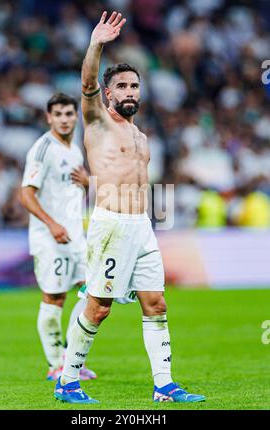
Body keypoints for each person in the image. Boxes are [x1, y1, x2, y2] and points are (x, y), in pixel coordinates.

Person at [54, 12, 205, 404]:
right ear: (108, 94)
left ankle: (164, 385)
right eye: (121, 86)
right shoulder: (99, 122)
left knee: (156, 303)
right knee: (99, 308)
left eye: (134, 85)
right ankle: (68, 381)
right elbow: (86, 82)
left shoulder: (140, 136)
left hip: (141, 227)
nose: (129, 91)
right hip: (111, 225)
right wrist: (96, 44)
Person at [21, 93, 96, 381]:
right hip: (50, 237)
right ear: (48, 118)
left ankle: (71, 357)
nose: (64, 119)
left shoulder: (75, 150)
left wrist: (89, 183)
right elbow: (26, 194)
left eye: (69, 114)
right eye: (58, 114)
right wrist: (51, 224)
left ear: (76, 116)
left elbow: (74, 190)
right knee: (54, 298)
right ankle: (55, 364)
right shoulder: (42, 149)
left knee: (92, 292)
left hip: (76, 235)